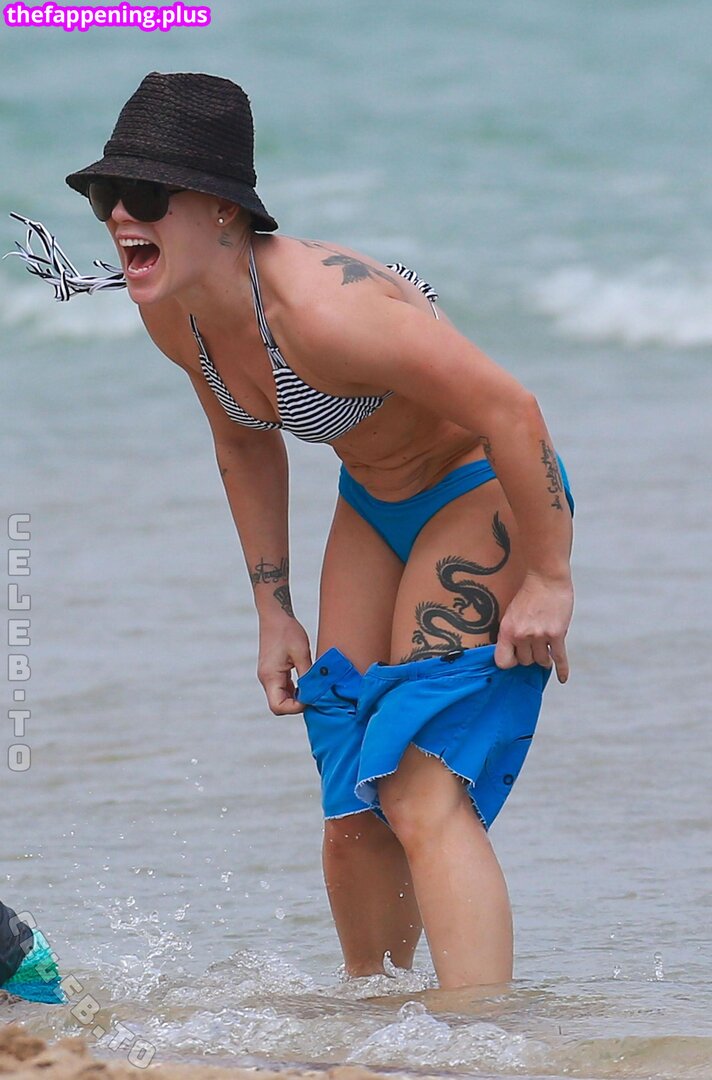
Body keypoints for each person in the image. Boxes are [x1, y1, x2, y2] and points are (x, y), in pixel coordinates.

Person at [16, 70, 575, 990]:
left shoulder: (323, 311)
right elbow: (243, 442)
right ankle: (374, 1016)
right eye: (106, 193)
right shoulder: (176, 315)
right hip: (374, 504)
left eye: (145, 193)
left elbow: (513, 410)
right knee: (350, 794)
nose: (118, 214)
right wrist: (272, 611)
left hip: (480, 490)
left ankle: (480, 1035)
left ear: (223, 209)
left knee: (419, 784)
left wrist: (550, 577)